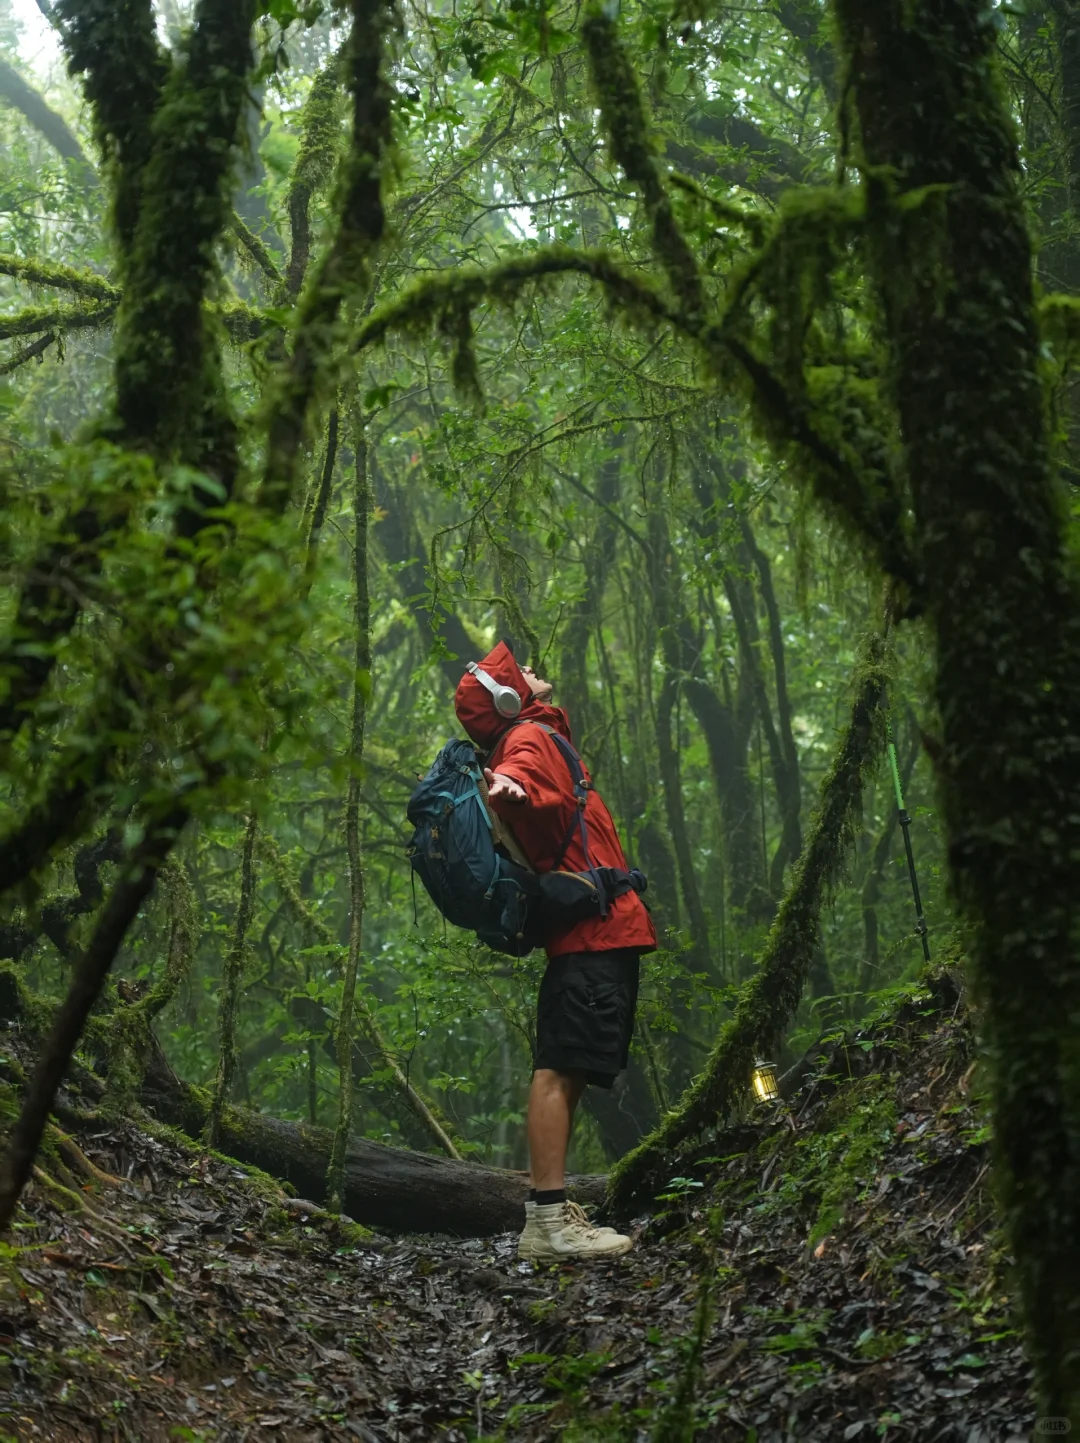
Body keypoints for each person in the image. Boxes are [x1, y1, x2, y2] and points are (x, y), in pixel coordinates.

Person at [454, 640, 657, 1261]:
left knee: (566, 1067)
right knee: (558, 1068)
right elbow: (509, 780)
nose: (538, 672)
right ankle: (547, 1224)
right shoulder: (529, 743)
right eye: (525, 673)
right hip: (590, 934)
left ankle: (551, 1214)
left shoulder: (542, 737)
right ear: (513, 697)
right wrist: (508, 790)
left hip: (599, 931)